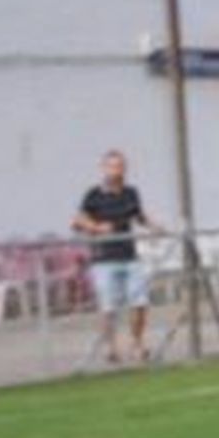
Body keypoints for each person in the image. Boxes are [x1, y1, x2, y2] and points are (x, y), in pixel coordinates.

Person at [72, 150, 161, 364]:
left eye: (120, 166)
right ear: (104, 169)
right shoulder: (94, 195)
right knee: (109, 307)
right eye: (112, 166)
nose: (116, 170)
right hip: (104, 259)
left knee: (140, 302)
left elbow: (139, 216)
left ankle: (137, 343)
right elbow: (77, 221)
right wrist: (97, 227)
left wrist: (154, 227)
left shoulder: (131, 193)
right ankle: (111, 347)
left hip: (129, 256)